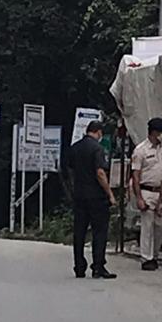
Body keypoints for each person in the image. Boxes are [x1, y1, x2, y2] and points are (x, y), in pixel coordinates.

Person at [70, 119, 118, 280]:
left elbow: (68, 169)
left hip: (79, 195)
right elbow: (100, 173)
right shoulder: (97, 148)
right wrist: (110, 194)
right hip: (96, 196)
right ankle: (98, 266)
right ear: (98, 132)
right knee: (99, 231)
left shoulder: (75, 148)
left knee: (79, 231)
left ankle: (79, 266)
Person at [130, 117, 162, 271]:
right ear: (154, 132)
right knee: (147, 226)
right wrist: (138, 197)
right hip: (146, 190)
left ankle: (155, 254)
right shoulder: (141, 150)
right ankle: (147, 258)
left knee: (161, 226)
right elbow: (135, 175)